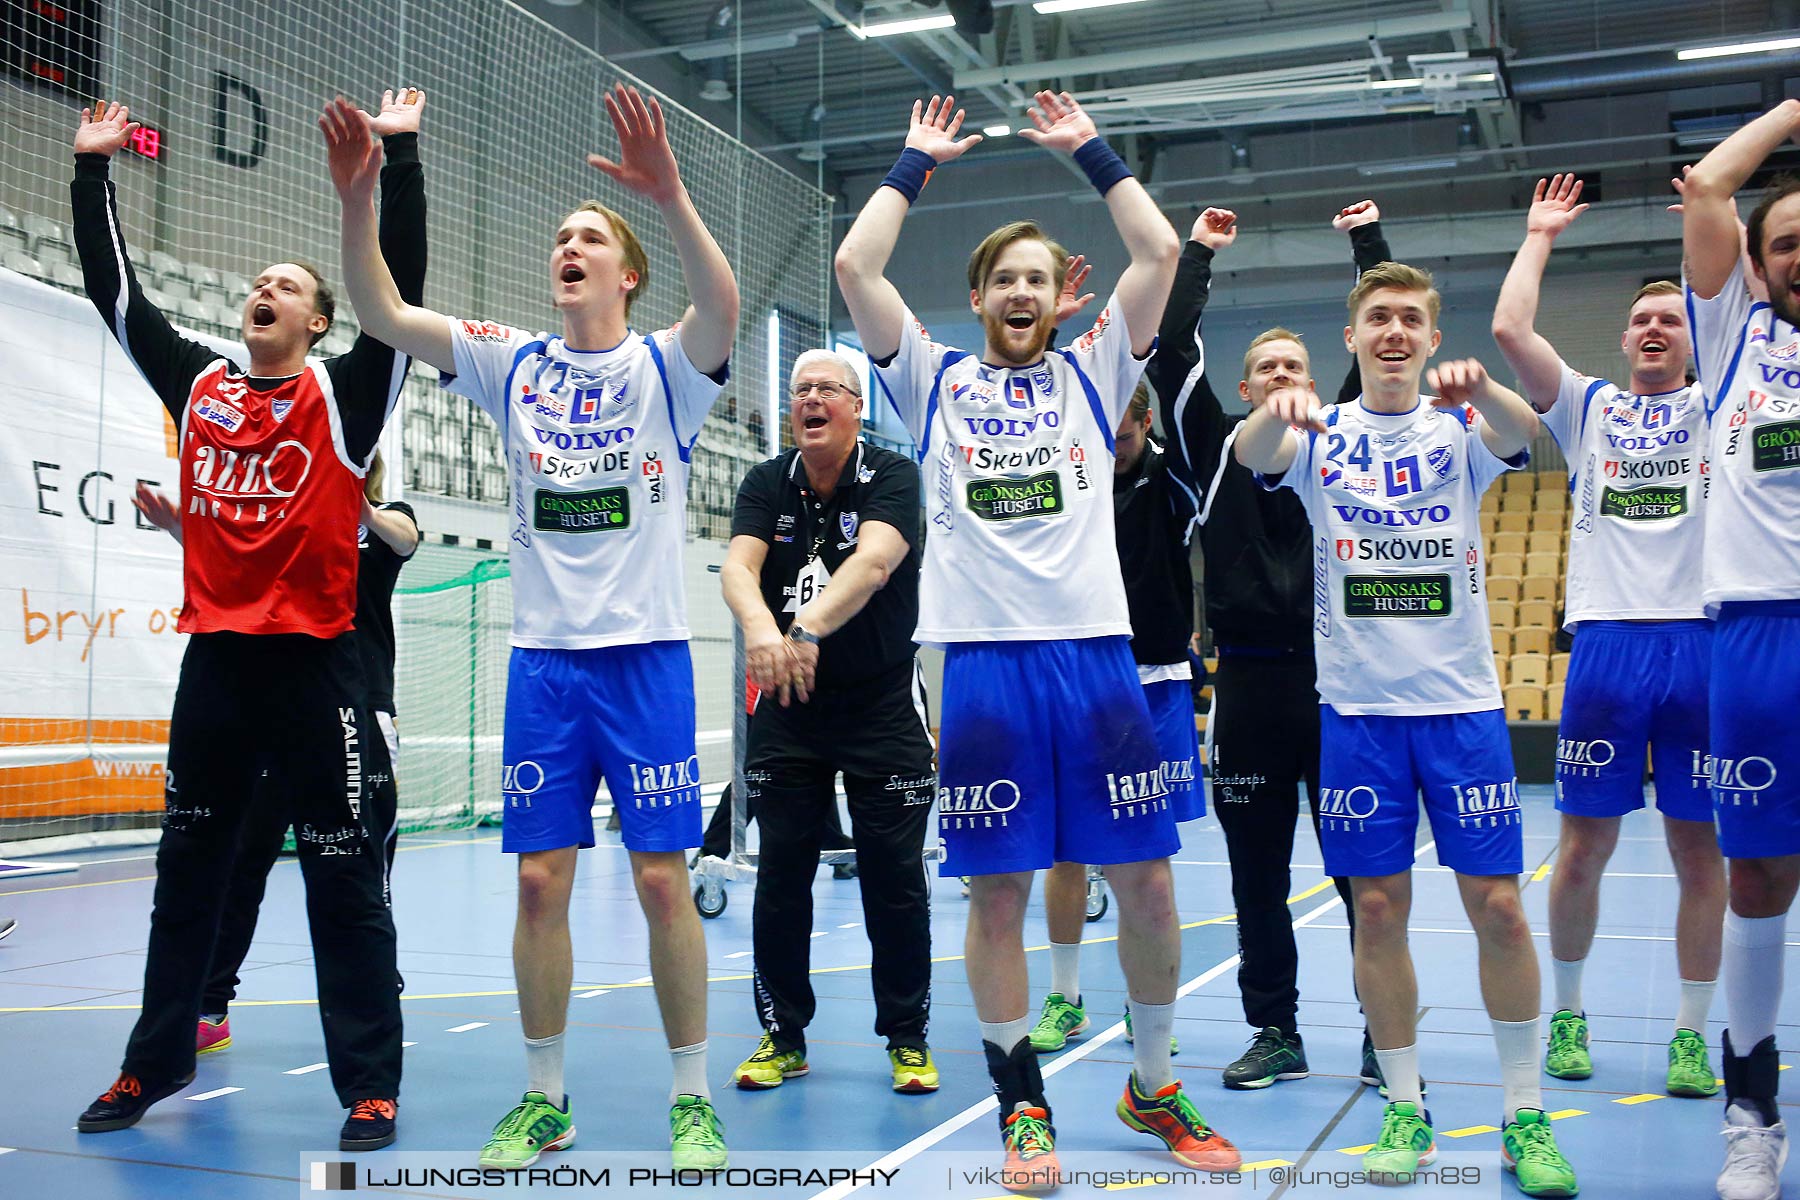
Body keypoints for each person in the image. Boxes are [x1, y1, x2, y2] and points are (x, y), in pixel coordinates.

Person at [323, 84, 739, 1170]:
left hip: (645, 664)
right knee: (538, 881)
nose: (570, 246)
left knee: (660, 881)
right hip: (545, 668)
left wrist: (672, 194)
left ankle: (691, 1096)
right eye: (560, 237)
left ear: (626, 271)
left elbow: (725, 311)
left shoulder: (663, 371)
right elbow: (378, 313)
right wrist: (357, 204)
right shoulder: (517, 364)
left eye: (591, 236)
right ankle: (544, 1095)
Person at [838, 91, 1234, 1192]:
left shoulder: (1094, 371)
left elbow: (1157, 247)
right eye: (1001, 278)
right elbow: (858, 273)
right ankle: (1021, 1100)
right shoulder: (937, 380)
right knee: (999, 893)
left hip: (1100, 660)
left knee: (1148, 883)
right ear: (976, 299)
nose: (1019, 291)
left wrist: (1091, 154)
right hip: (985, 668)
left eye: (1037, 278)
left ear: (1065, 298)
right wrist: (913, 161)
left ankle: (1152, 1082)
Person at [68, 89, 427, 1152]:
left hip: (320, 673)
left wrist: (397, 159)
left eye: (288, 285)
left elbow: (399, 291)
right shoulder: (205, 388)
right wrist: (94, 171)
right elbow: (117, 297)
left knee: (342, 881)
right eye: (257, 284)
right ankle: (151, 1063)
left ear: (317, 319)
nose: (263, 290)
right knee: (188, 878)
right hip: (218, 667)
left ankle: (370, 1084)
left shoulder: (348, 391)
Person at [1025, 204, 1392, 1096]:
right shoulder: (1219, 451)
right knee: (1255, 876)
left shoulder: (1347, 438)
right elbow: (1171, 347)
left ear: (1316, 382)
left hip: (1340, 685)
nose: (1280, 377)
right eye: (1265, 369)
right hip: (1252, 689)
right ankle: (1276, 1032)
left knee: (1362, 878)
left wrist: (1367, 245)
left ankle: (1387, 1034)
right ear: (1245, 384)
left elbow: (1385, 338)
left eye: (1294, 368)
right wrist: (1195, 252)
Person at [1235, 265, 1579, 1196]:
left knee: (1499, 909)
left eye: (1411, 321)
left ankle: (1523, 1112)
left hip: (1461, 709)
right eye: (1377, 318)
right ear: (1352, 338)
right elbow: (1249, 455)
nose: (1394, 331)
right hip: (1357, 716)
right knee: (1377, 912)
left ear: (1432, 339)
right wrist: (1284, 406)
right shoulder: (1318, 435)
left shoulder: (1459, 428)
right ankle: (1405, 1102)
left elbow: (1528, 434)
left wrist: (1484, 388)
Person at [1491, 174, 1723, 1096]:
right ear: (1625, 339)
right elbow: (1512, 331)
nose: (1658, 328)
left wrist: (1719, 238)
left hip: (1702, 645)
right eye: (1645, 320)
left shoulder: (1723, 408)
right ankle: (1571, 1017)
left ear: (1698, 336)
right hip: (1611, 648)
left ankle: (1692, 1035)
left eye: (1675, 316)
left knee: (1700, 853)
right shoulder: (1591, 409)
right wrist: (1541, 233)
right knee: (1582, 848)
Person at [132, 456, 419, 1055]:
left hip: (359, 715)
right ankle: (209, 1006)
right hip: (278, 716)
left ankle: (374, 995)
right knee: (241, 865)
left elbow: (406, 538)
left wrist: (359, 506)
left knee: (360, 874)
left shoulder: (383, 523)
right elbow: (234, 559)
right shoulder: (285, 522)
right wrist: (180, 529)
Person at [718, 349, 938, 1093]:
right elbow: (738, 569)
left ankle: (906, 1037)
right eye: (799, 390)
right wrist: (759, 628)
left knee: (894, 878)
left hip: (880, 704)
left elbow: (874, 564)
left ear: (854, 407)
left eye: (825, 390)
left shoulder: (892, 476)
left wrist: (804, 629)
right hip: (790, 707)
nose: (809, 400)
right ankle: (783, 1037)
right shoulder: (765, 482)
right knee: (781, 875)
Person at [1680, 98, 1800, 1200]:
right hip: (1761, 633)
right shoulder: (1735, 339)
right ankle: (1751, 1111)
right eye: (1788, 243)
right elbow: (1710, 186)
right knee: (1757, 874)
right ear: (1759, 267)